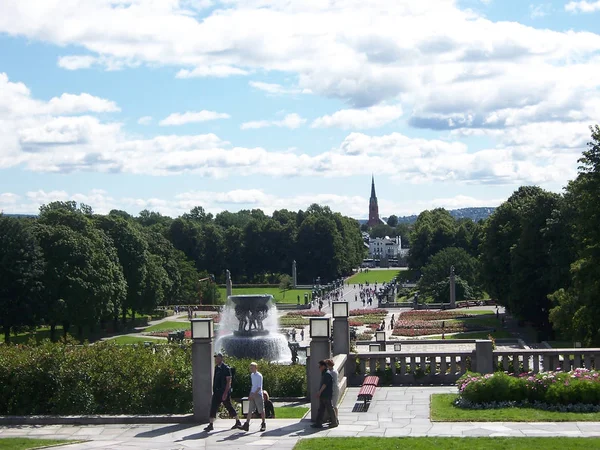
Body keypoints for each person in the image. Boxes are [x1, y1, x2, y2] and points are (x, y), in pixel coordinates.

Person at [204, 353, 242, 432]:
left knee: (228, 406)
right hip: (217, 392)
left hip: (224, 391)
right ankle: (211, 424)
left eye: (217, 358)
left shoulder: (226, 368)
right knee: (213, 407)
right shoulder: (217, 368)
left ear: (221, 359)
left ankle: (238, 421)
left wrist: (225, 393)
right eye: (215, 358)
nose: (216, 360)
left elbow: (228, 382)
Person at [311, 360, 338, 429]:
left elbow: (324, 385)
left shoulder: (327, 374)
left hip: (326, 394)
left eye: (319, 366)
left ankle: (334, 422)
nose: (319, 368)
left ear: (323, 366)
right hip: (323, 394)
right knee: (321, 409)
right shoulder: (324, 373)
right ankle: (318, 423)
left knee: (330, 408)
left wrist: (319, 392)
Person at [240, 362, 266, 432]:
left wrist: (253, 395)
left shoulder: (259, 376)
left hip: (258, 394)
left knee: (261, 410)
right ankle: (246, 424)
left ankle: (263, 423)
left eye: (252, 367)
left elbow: (259, 387)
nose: (250, 369)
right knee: (250, 410)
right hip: (252, 394)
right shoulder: (252, 375)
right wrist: (250, 394)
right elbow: (253, 386)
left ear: (255, 368)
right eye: (250, 367)